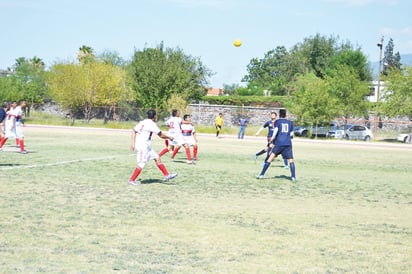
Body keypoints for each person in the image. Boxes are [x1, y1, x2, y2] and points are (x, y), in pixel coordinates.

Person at [128, 109, 177, 185]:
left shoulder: (143, 122)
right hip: (143, 146)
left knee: (157, 158)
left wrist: (133, 144)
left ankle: (167, 175)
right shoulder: (151, 124)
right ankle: (131, 180)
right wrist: (169, 137)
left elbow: (134, 131)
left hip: (147, 146)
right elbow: (161, 135)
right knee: (141, 163)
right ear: (154, 116)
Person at [256, 109, 296, 182]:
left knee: (270, 159)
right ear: (286, 115)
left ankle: (261, 175)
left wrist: (272, 138)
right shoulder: (290, 123)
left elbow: (276, 130)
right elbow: (291, 134)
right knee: (291, 160)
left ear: (279, 114)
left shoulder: (278, 122)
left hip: (279, 143)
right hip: (288, 143)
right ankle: (293, 177)